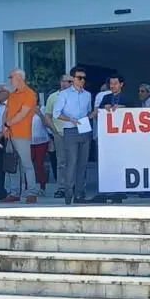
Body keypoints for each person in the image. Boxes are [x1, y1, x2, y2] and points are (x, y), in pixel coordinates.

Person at [54, 66, 96, 205]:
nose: (82, 80)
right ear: (73, 78)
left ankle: (79, 193)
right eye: (79, 77)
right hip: (70, 131)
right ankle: (68, 192)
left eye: (84, 78)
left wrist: (92, 115)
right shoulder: (64, 94)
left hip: (84, 129)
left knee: (83, 164)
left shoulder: (87, 95)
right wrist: (70, 119)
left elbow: (88, 112)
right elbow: (56, 113)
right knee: (71, 162)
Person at [2, 69, 41, 204]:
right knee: (12, 164)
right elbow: (6, 112)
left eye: (11, 77)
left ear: (19, 78)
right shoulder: (12, 95)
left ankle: (31, 192)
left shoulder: (30, 94)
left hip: (22, 134)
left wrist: (8, 123)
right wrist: (4, 127)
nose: (10, 80)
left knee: (26, 164)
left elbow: (22, 114)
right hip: (10, 134)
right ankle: (14, 193)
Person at [93, 74, 129, 203]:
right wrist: (104, 108)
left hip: (123, 137)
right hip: (108, 138)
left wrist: (123, 109)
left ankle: (121, 191)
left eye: (115, 83)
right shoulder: (106, 97)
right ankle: (109, 189)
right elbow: (99, 114)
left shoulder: (127, 98)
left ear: (121, 84)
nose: (113, 86)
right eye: (111, 83)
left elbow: (136, 112)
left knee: (122, 163)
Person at [44, 75, 72, 199]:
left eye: (71, 81)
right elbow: (47, 115)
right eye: (67, 81)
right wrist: (54, 130)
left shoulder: (77, 96)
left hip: (74, 133)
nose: (69, 83)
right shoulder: (53, 97)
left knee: (74, 161)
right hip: (59, 133)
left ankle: (74, 186)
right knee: (61, 162)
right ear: (61, 82)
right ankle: (61, 187)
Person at [30, 109, 50, 193]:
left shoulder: (43, 109)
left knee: (39, 164)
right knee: (29, 165)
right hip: (28, 141)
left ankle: (42, 187)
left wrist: (40, 114)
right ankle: (29, 188)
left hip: (41, 142)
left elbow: (47, 124)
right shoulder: (25, 108)